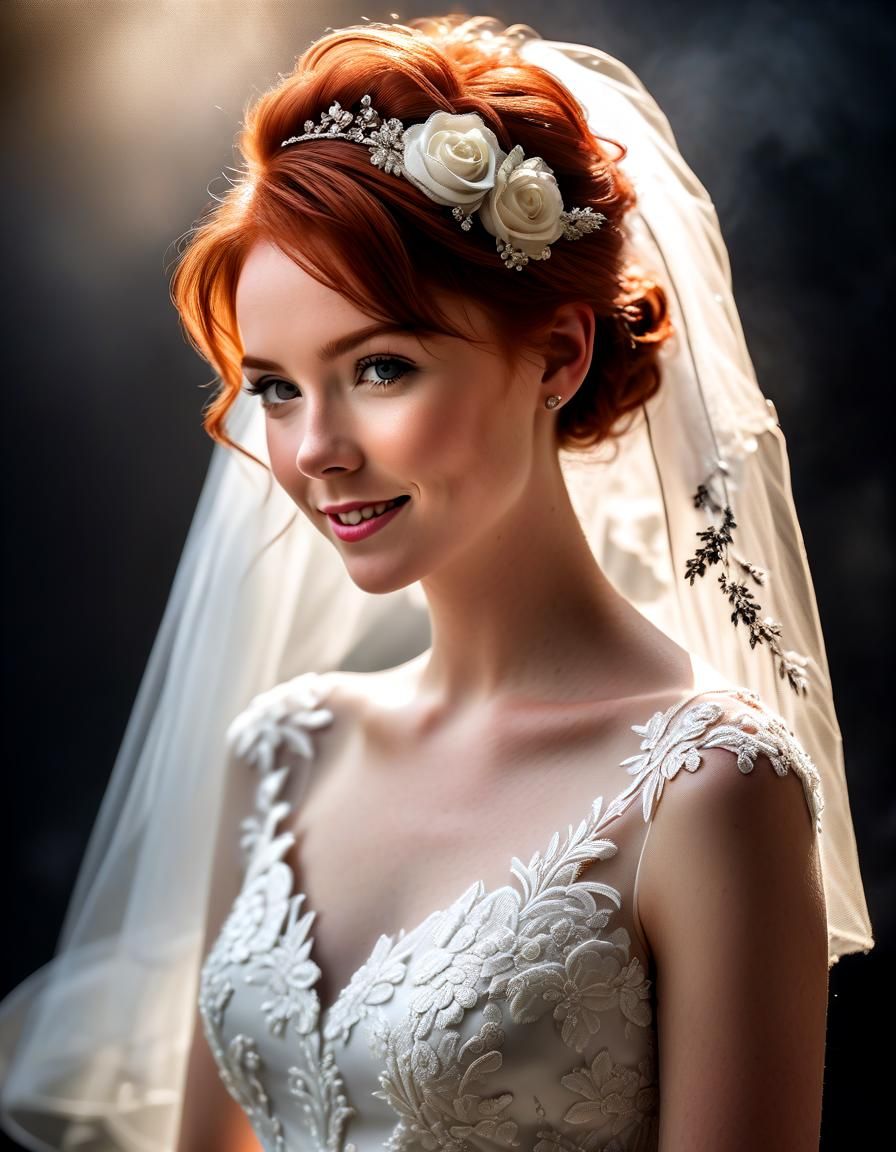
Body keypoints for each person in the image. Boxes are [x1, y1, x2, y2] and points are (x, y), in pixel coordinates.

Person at [0, 14, 874, 1152]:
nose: (315, 450)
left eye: (379, 368)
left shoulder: (709, 792)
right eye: (275, 388)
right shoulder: (281, 755)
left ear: (558, 354)